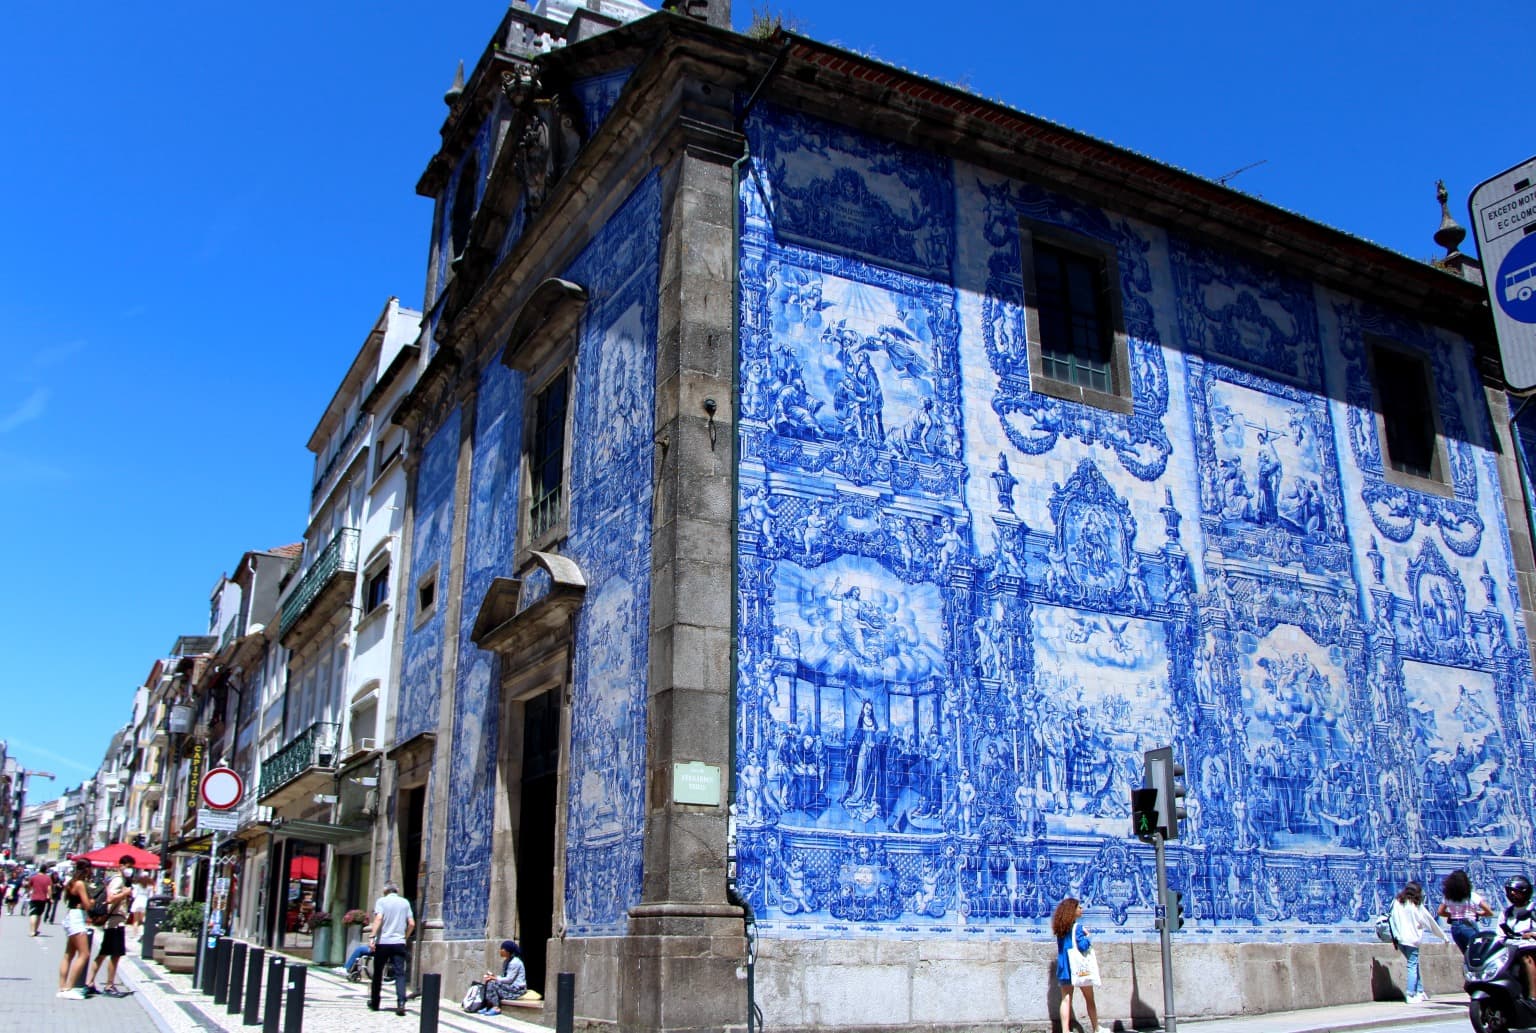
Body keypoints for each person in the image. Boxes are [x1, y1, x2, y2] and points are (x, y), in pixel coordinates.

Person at [1052, 896, 1108, 1033]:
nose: (1081, 909)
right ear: (1072, 910)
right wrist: (1087, 937)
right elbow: (1082, 947)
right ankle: (1096, 1028)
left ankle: (1065, 1030)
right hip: (1078, 967)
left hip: (1065, 966)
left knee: (1066, 999)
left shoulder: (1061, 928)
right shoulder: (1078, 928)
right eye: (1079, 907)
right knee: (1089, 999)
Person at [1388, 880, 1447, 1003]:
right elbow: (1430, 922)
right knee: (1412, 966)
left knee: (1414, 964)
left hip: (1400, 939)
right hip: (1412, 940)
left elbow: (1392, 918)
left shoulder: (1397, 902)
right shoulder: (1416, 906)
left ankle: (1420, 991)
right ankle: (1410, 994)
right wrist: (1443, 937)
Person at [86, 856, 135, 997]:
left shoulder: (121, 880)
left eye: (131, 866)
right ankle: (109, 985)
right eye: (128, 866)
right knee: (114, 954)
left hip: (116, 921)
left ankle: (90, 982)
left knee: (105, 953)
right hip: (114, 922)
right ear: (121, 865)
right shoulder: (118, 880)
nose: (130, 869)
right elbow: (110, 899)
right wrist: (125, 893)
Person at [368, 883, 416, 1016]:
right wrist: (404, 937)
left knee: (378, 973)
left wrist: (372, 936)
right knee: (399, 973)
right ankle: (401, 1003)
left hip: (383, 942)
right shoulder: (405, 902)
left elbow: (378, 918)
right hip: (398, 943)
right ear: (397, 890)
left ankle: (375, 1002)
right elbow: (412, 923)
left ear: (385, 891)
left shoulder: (381, 901)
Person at [57, 860, 94, 1000]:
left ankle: (62, 987)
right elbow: (87, 904)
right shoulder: (80, 884)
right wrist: (91, 902)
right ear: (87, 869)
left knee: (69, 954)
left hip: (70, 916)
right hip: (77, 918)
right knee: (84, 954)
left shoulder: (71, 882)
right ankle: (69, 987)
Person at [1437, 869, 1492, 957]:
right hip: (1469, 925)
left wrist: (1452, 914)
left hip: (1455, 927)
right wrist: (1478, 913)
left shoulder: (1449, 897)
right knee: (1475, 953)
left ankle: (1467, 970)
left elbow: (1440, 912)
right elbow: (1489, 911)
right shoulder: (1472, 896)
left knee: (1465, 954)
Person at [476, 939, 528, 1014]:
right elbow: (504, 976)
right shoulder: (506, 962)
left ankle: (496, 1007)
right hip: (509, 987)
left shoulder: (515, 962)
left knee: (491, 983)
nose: (500, 951)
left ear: (507, 951)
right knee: (489, 982)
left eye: (502, 949)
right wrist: (493, 976)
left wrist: (494, 978)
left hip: (517, 990)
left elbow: (509, 979)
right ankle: (489, 1006)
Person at [27, 867, 53, 936]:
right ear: (46, 871)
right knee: (39, 914)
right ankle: (35, 930)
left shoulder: (34, 877)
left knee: (33, 914)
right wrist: (50, 898)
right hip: (43, 899)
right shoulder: (48, 878)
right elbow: (49, 888)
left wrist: (28, 893)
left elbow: (29, 886)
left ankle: (32, 931)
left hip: (34, 898)